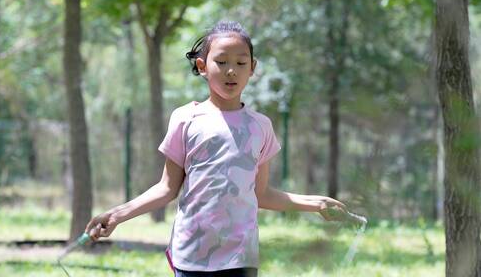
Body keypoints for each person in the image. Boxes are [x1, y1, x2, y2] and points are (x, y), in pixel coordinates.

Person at [86, 20, 349, 277]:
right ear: (202, 66)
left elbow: (262, 194)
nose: (231, 70)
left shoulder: (261, 127)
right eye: (221, 62)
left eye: (240, 63)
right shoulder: (185, 119)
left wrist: (317, 203)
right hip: (191, 256)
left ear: (252, 68)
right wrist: (117, 214)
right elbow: (167, 188)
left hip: (240, 258)